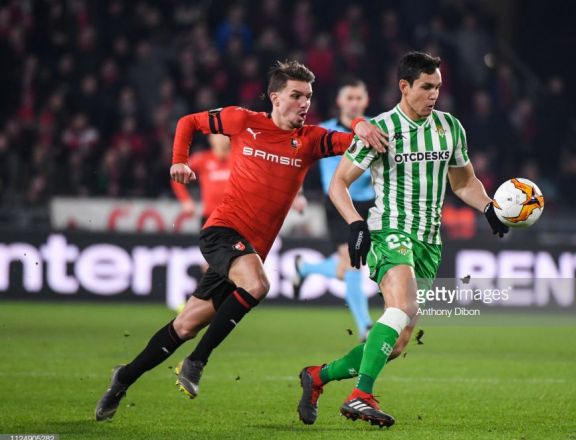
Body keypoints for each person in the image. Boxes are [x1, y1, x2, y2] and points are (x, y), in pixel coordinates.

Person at [95, 60, 388, 421]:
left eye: (308, 97)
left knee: (185, 325)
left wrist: (359, 123)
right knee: (257, 283)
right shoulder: (243, 121)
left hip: (248, 251)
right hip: (222, 231)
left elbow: (360, 143)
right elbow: (188, 122)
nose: (304, 103)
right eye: (296, 95)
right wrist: (179, 161)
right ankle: (197, 361)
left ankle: (123, 378)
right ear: (275, 97)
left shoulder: (311, 140)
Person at [296, 51, 508, 428]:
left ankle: (317, 376)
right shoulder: (380, 129)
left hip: (429, 242)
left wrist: (489, 207)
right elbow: (338, 183)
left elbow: (463, 183)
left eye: (438, 87)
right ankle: (360, 395)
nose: (434, 94)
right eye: (426, 87)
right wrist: (356, 223)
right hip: (390, 231)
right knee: (404, 305)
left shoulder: (450, 127)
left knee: (396, 343)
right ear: (404, 87)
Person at [292, 79, 374, 341]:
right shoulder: (324, 131)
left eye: (358, 98)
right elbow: (299, 161)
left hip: (371, 204)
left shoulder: (376, 128)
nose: (354, 103)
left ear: (366, 101)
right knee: (353, 264)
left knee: (348, 268)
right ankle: (365, 326)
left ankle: (306, 269)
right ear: (339, 101)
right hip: (338, 203)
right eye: (349, 97)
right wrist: (297, 193)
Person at [171, 134, 232, 227]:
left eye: (224, 135)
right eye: (217, 135)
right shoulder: (202, 159)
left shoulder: (240, 160)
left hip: (235, 218)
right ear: (211, 138)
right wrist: (185, 200)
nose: (221, 139)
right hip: (210, 217)